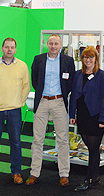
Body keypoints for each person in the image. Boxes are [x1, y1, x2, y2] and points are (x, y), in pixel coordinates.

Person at [26, 34, 76, 187]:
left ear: (61, 45)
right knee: (37, 139)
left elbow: (71, 82)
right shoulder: (38, 59)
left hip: (59, 102)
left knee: (62, 139)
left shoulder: (68, 61)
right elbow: (35, 80)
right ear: (47, 44)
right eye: (51, 43)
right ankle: (34, 173)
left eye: (56, 43)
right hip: (42, 102)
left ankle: (64, 174)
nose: (53, 46)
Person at [0, 37, 30, 186]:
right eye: (7, 47)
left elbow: (26, 86)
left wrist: (20, 102)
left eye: (12, 47)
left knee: (16, 143)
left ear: (15, 49)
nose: (9, 50)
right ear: (2, 48)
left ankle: (16, 172)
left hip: (15, 110)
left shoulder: (22, 66)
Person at [69, 46, 104, 192]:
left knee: (93, 149)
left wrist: (102, 119)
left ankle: (89, 179)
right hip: (82, 116)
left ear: (96, 59)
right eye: (86, 57)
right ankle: (95, 176)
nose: (88, 60)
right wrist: (72, 115)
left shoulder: (102, 75)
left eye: (91, 57)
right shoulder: (78, 75)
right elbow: (73, 95)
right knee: (92, 148)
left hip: (95, 117)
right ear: (82, 59)